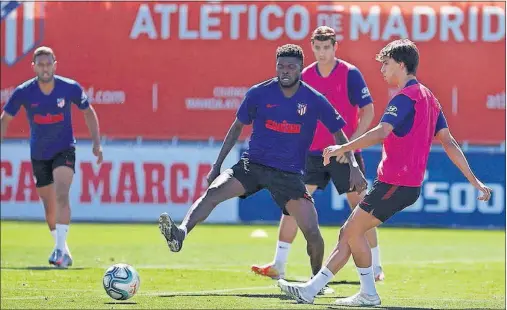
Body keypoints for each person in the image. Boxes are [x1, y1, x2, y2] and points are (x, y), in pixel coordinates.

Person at [278, 39, 493, 306]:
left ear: (401, 65)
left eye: (386, 64)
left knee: (352, 232)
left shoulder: (406, 97)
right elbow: (449, 142)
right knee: (349, 232)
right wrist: (475, 181)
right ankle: (313, 290)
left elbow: (381, 132)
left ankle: (366, 294)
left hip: (396, 182)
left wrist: (342, 147)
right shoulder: (429, 97)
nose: (382, 70)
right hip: (403, 184)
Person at [157, 44, 367, 279]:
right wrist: (217, 166)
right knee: (213, 192)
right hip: (253, 165)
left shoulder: (314, 99)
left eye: (291, 67)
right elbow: (236, 128)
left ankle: (316, 281)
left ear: (300, 69)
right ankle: (181, 232)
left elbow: (340, 134)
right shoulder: (259, 93)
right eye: (281, 66)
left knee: (312, 233)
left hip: (288, 175)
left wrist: (354, 167)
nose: (285, 71)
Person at [251, 26, 385, 284]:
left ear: (335, 47)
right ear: (312, 47)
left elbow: (368, 110)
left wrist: (351, 145)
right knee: (293, 206)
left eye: (327, 47)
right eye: (318, 47)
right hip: (309, 154)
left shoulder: (350, 74)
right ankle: (278, 264)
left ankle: (376, 266)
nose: (322, 52)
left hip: (344, 153)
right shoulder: (305, 75)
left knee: (361, 209)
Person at [0, 46, 103, 268]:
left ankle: (58, 250)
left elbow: (88, 111)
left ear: (55, 65)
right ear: (34, 67)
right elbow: (6, 118)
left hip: (65, 148)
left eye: (48, 64)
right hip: (39, 154)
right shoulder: (24, 92)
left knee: (62, 194)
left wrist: (96, 143)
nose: (45, 68)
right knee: (49, 207)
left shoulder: (69, 88)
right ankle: (62, 249)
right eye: (41, 64)